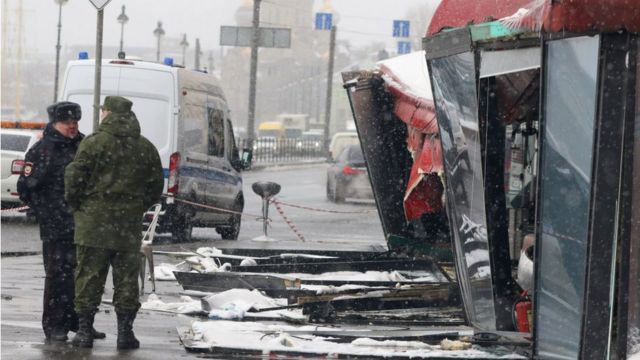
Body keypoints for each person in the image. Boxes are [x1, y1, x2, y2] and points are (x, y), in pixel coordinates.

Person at [65, 96, 164, 349]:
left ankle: (85, 331)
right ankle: (125, 333)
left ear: (107, 113)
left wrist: (78, 206)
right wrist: (136, 206)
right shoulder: (145, 147)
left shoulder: (93, 143)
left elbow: (74, 178)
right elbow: (155, 186)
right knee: (127, 280)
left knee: (88, 277)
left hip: (93, 224)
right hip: (127, 225)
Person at [16, 101, 105, 342]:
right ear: (55, 123)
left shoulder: (85, 146)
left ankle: (81, 323)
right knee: (58, 277)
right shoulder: (43, 150)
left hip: (84, 223)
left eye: (75, 122)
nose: (72, 126)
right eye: (67, 122)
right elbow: (26, 186)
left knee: (83, 276)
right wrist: (45, 210)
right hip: (56, 225)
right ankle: (56, 325)